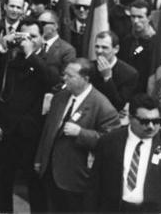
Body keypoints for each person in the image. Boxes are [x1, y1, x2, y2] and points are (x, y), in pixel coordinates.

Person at [0, 18, 62, 213]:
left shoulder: (47, 61)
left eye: (33, 36)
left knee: (34, 182)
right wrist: (1, 47)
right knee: (3, 178)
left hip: (32, 132)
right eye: (23, 36)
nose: (27, 40)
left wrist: (31, 53)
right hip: (7, 128)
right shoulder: (10, 58)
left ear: (41, 38)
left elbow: (52, 81)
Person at [34, 58, 120, 213]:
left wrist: (81, 133)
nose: (64, 78)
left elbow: (111, 142)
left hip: (76, 178)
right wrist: (40, 159)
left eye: (70, 76)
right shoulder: (60, 97)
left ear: (85, 79)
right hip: (50, 172)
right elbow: (47, 130)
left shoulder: (102, 106)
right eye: (64, 74)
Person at [88, 93, 161, 212]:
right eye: (144, 121)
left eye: (156, 121)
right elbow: (95, 184)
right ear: (130, 118)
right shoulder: (109, 142)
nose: (151, 126)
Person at [90, 31, 138, 114]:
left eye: (104, 47)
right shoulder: (89, 67)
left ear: (116, 49)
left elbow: (118, 105)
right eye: (97, 46)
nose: (99, 51)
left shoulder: (129, 73)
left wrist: (107, 78)